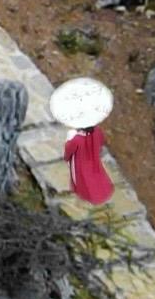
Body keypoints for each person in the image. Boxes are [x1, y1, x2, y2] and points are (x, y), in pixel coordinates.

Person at [48, 77, 114, 207]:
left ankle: (87, 195)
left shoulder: (77, 139)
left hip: (80, 163)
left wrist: (68, 149)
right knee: (96, 175)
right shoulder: (97, 132)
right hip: (94, 160)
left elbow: (69, 153)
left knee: (84, 180)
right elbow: (100, 143)